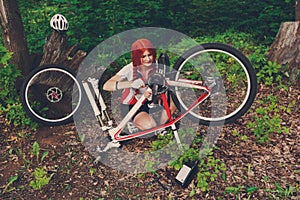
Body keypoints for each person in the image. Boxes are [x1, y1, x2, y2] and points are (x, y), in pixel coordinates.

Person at [103, 38, 176, 131]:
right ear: (138, 57)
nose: (148, 59)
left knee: (174, 100)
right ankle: (132, 122)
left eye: (149, 55)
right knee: (150, 125)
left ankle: (161, 127)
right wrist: (131, 84)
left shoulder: (157, 65)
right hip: (133, 105)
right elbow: (107, 85)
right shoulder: (130, 68)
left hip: (150, 100)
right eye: (143, 56)